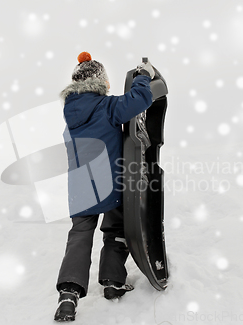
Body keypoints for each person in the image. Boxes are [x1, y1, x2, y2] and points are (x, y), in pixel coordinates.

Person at [54, 51, 155, 322]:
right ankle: (112, 282)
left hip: (80, 190)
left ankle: (68, 294)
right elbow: (140, 100)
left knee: (80, 235)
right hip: (110, 185)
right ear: (100, 81)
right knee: (116, 228)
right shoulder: (106, 107)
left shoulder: (70, 113)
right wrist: (143, 77)